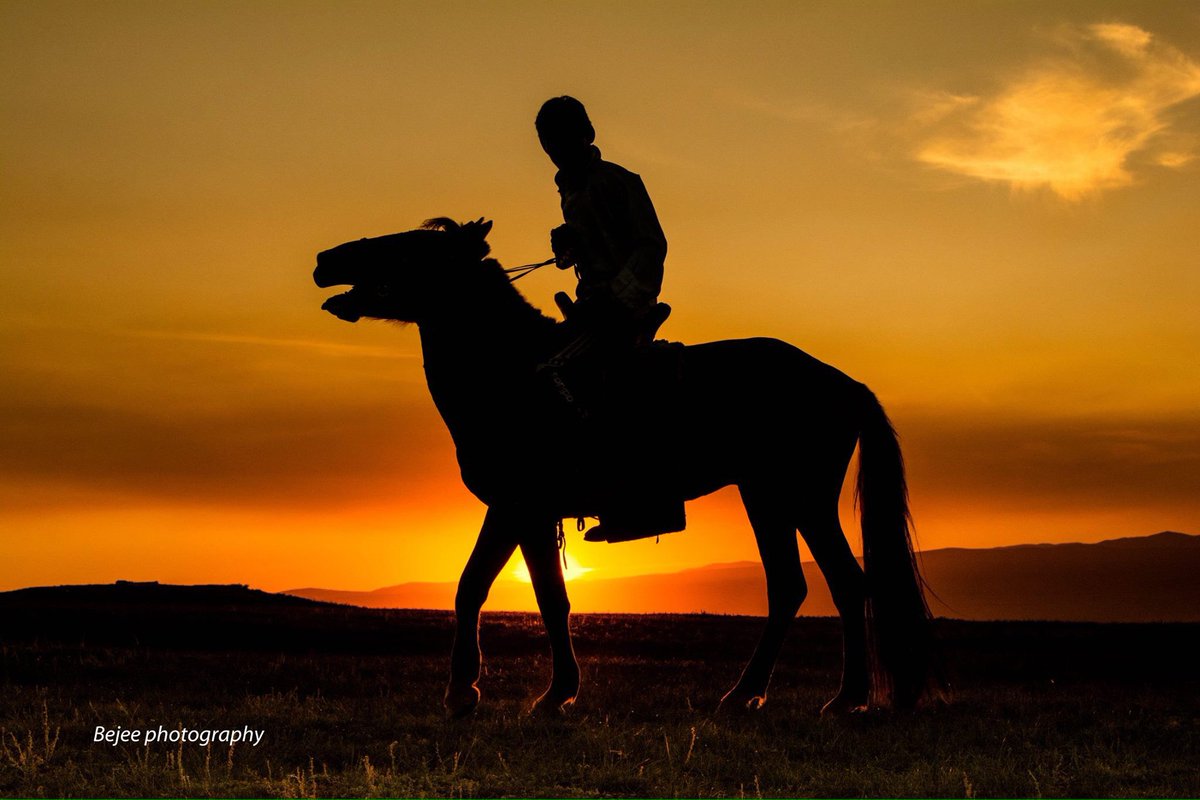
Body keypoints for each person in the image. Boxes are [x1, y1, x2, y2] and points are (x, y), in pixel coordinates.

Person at [536, 95, 684, 543]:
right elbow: (590, 251)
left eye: (561, 139)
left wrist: (618, 297)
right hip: (592, 306)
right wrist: (568, 248)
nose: (554, 150)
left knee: (593, 379)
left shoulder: (619, 182)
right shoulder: (571, 192)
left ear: (586, 135)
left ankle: (643, 503)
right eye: (548, 143)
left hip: (624, 307)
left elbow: (651, 246)